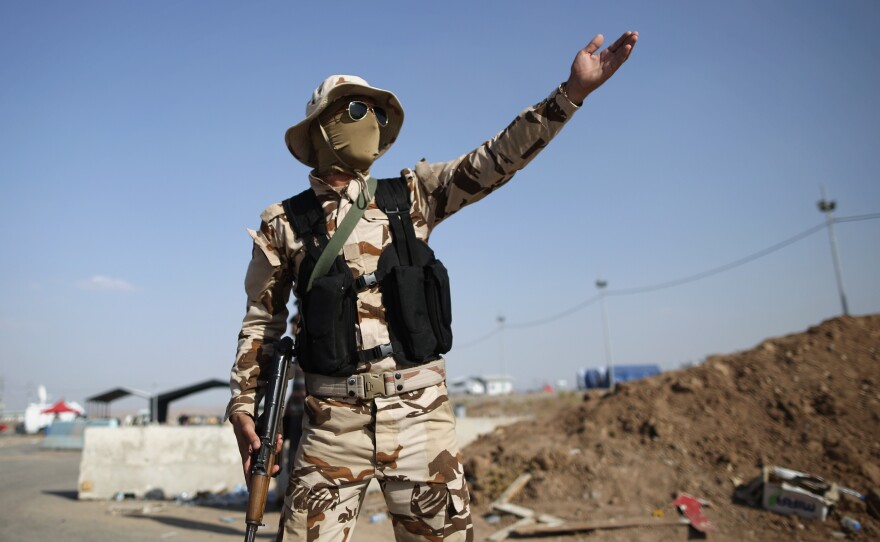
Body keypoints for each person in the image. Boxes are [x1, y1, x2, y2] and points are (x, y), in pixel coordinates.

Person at [227, 31, 638, 541]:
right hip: (332, 428)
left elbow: (493, 162)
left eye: (378, 113)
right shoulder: (283, 223)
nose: (371, 122)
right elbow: (262, 321)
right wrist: (244, 404)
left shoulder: (414, 194)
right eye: (358, 110)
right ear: (323, 129)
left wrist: (569, 96)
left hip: (421, 421)